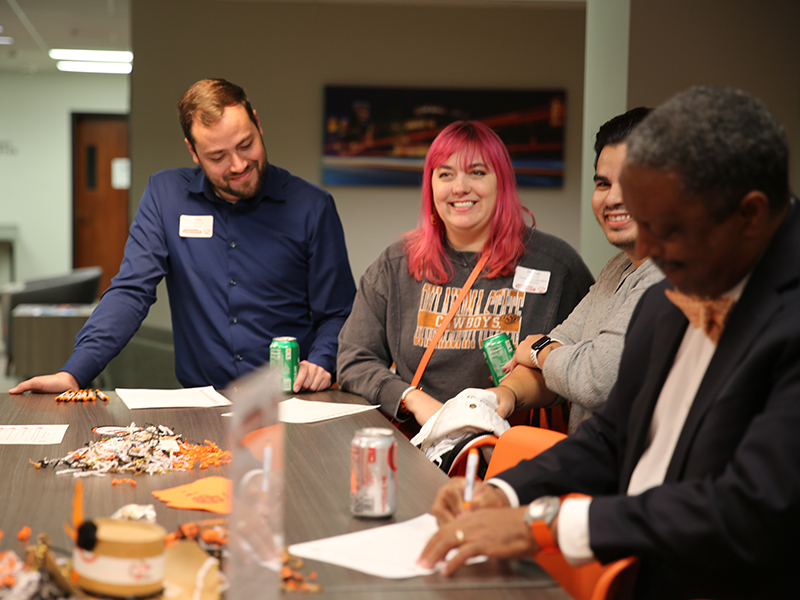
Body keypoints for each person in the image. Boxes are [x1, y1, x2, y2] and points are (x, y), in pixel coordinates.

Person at [419, 86, 800, 599]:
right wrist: (504, 491)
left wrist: (548, 522)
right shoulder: (672, 287)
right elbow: (613, 436)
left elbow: (747, 510)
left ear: (750, 215)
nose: (648, 250)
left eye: (667, 228)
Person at [10, 79, 356, 394]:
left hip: (293, 400)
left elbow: (339, 311)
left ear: (258, 124)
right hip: (204, 400)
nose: (237, 165)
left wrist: (322, 361)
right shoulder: (166, 196)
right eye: (217, 156)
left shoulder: (312, 207)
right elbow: (131, 290)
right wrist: (74, 373)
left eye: (246, 144)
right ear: (193, 151)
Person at [336, 120, 594, 429]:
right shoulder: (396, 265)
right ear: (431, 185)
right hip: (422, 445)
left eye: (477, 172)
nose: (460, 187)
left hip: (516, 453)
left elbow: (593, 364)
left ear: (502, 182)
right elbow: (353, 358)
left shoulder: (556, 266)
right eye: (446, 174)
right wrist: (413, 400)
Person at [491, 107, 663, 433]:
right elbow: (564, 339)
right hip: (586, 468)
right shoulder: (618, 267)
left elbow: (593, 378)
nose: (613, 197)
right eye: (603, 183)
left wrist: (541, 350)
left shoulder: (670, 277)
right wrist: (505, 395)